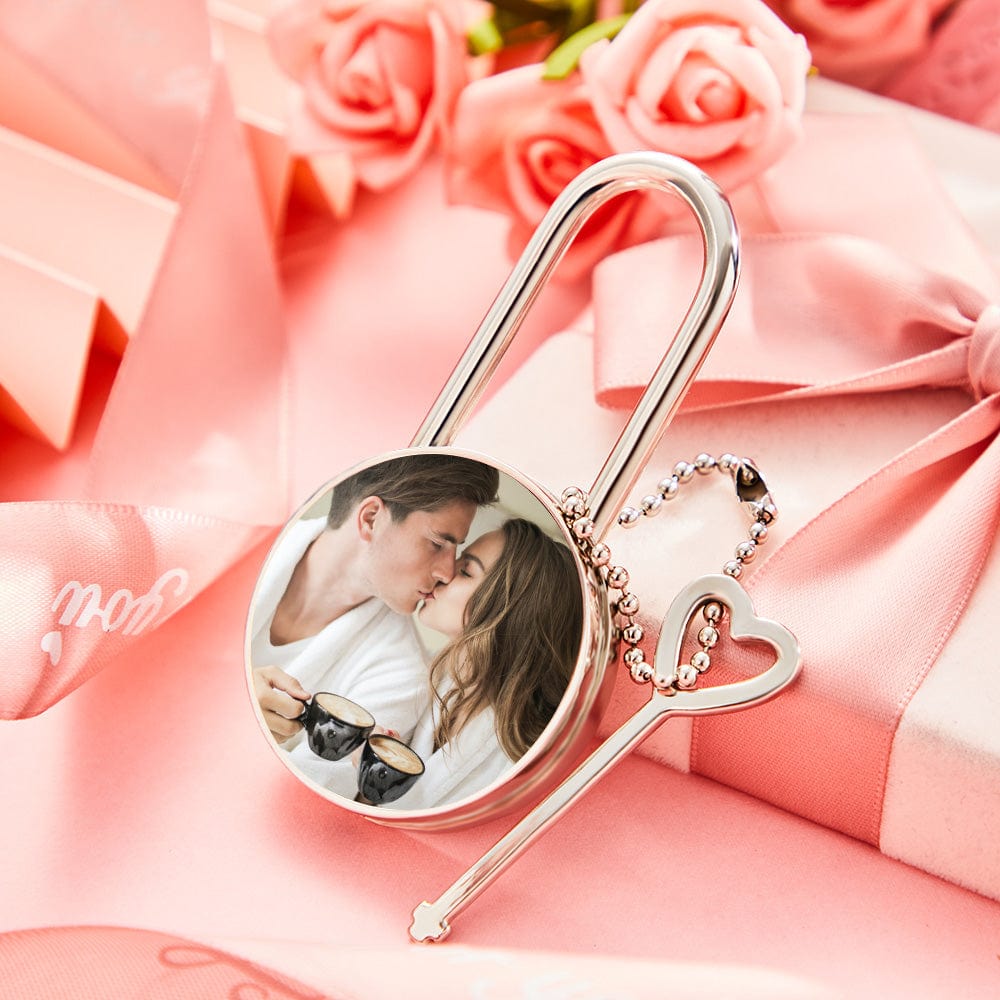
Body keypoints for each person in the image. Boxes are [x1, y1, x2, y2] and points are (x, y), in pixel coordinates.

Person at [249, 454, 499, 797]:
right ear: (371, 518)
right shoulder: (245, 540)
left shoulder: (401, 674)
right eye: (437, 544)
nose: (446, 571)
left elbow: (302, 796)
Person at [383, 517, 583, 810]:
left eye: (465, 571)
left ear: (510, 611)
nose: (444, 573)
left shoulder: (523, 759)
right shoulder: (425, 681)